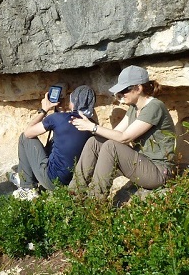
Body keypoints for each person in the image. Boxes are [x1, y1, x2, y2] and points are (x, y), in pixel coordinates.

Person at [70, 65, 175, 200]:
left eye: (124, 90)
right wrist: (89, 126)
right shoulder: (134, 108)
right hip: (141, 163)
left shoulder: (154, 106)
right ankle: (74, 194)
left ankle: (95, 202)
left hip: (158, 171)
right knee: (94, 142)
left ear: (138, 88)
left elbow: (124, 138)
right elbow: (116, 132)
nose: (121, 94)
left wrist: (93, 127)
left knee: (111, 147)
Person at [11, 85, 97, 200]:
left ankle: (27, 188)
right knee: (56, 141)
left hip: (52, 181)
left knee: (24, 138)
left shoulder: (57, 118)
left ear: (73, 101)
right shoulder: (93, 126)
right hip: (71, 182)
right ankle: (27, 177)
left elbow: (28, 133)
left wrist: (44, 110)